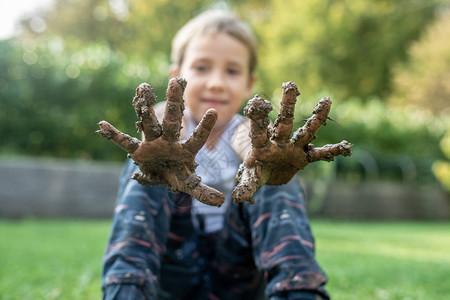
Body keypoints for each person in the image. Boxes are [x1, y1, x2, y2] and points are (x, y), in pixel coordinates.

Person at [102, 10, 329, 300]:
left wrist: (257, 157)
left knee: (270, 168)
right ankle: (126, 289)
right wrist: (166, 133)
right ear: (177, 77)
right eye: (201, 67)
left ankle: (299, 289)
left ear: (249, 83)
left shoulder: (249, 131)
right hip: (176, 267)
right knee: (151, 164)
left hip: (236, 274)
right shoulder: (168, 130)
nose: (217, 82)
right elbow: (162, 117)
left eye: (232, 71)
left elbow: (246, 136)